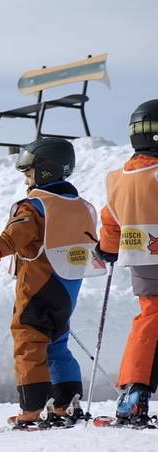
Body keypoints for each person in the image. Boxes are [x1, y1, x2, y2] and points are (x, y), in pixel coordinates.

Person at [0, 138, 103, 428]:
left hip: (38, 283)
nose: (25, 178)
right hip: (68, 288)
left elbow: (11, 239)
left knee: (28, 340)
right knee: (57, 342)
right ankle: (66, 402)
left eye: (29, 171)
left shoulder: (35, 207)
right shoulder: (82, 206)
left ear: (46, 171)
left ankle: (32, 409)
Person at [95, 99, 158, 425]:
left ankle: (133, 394)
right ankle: (134, 395)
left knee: (151, 319)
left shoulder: (119, 179)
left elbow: (110, 221)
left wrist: (106, 248)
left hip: (142, 261)